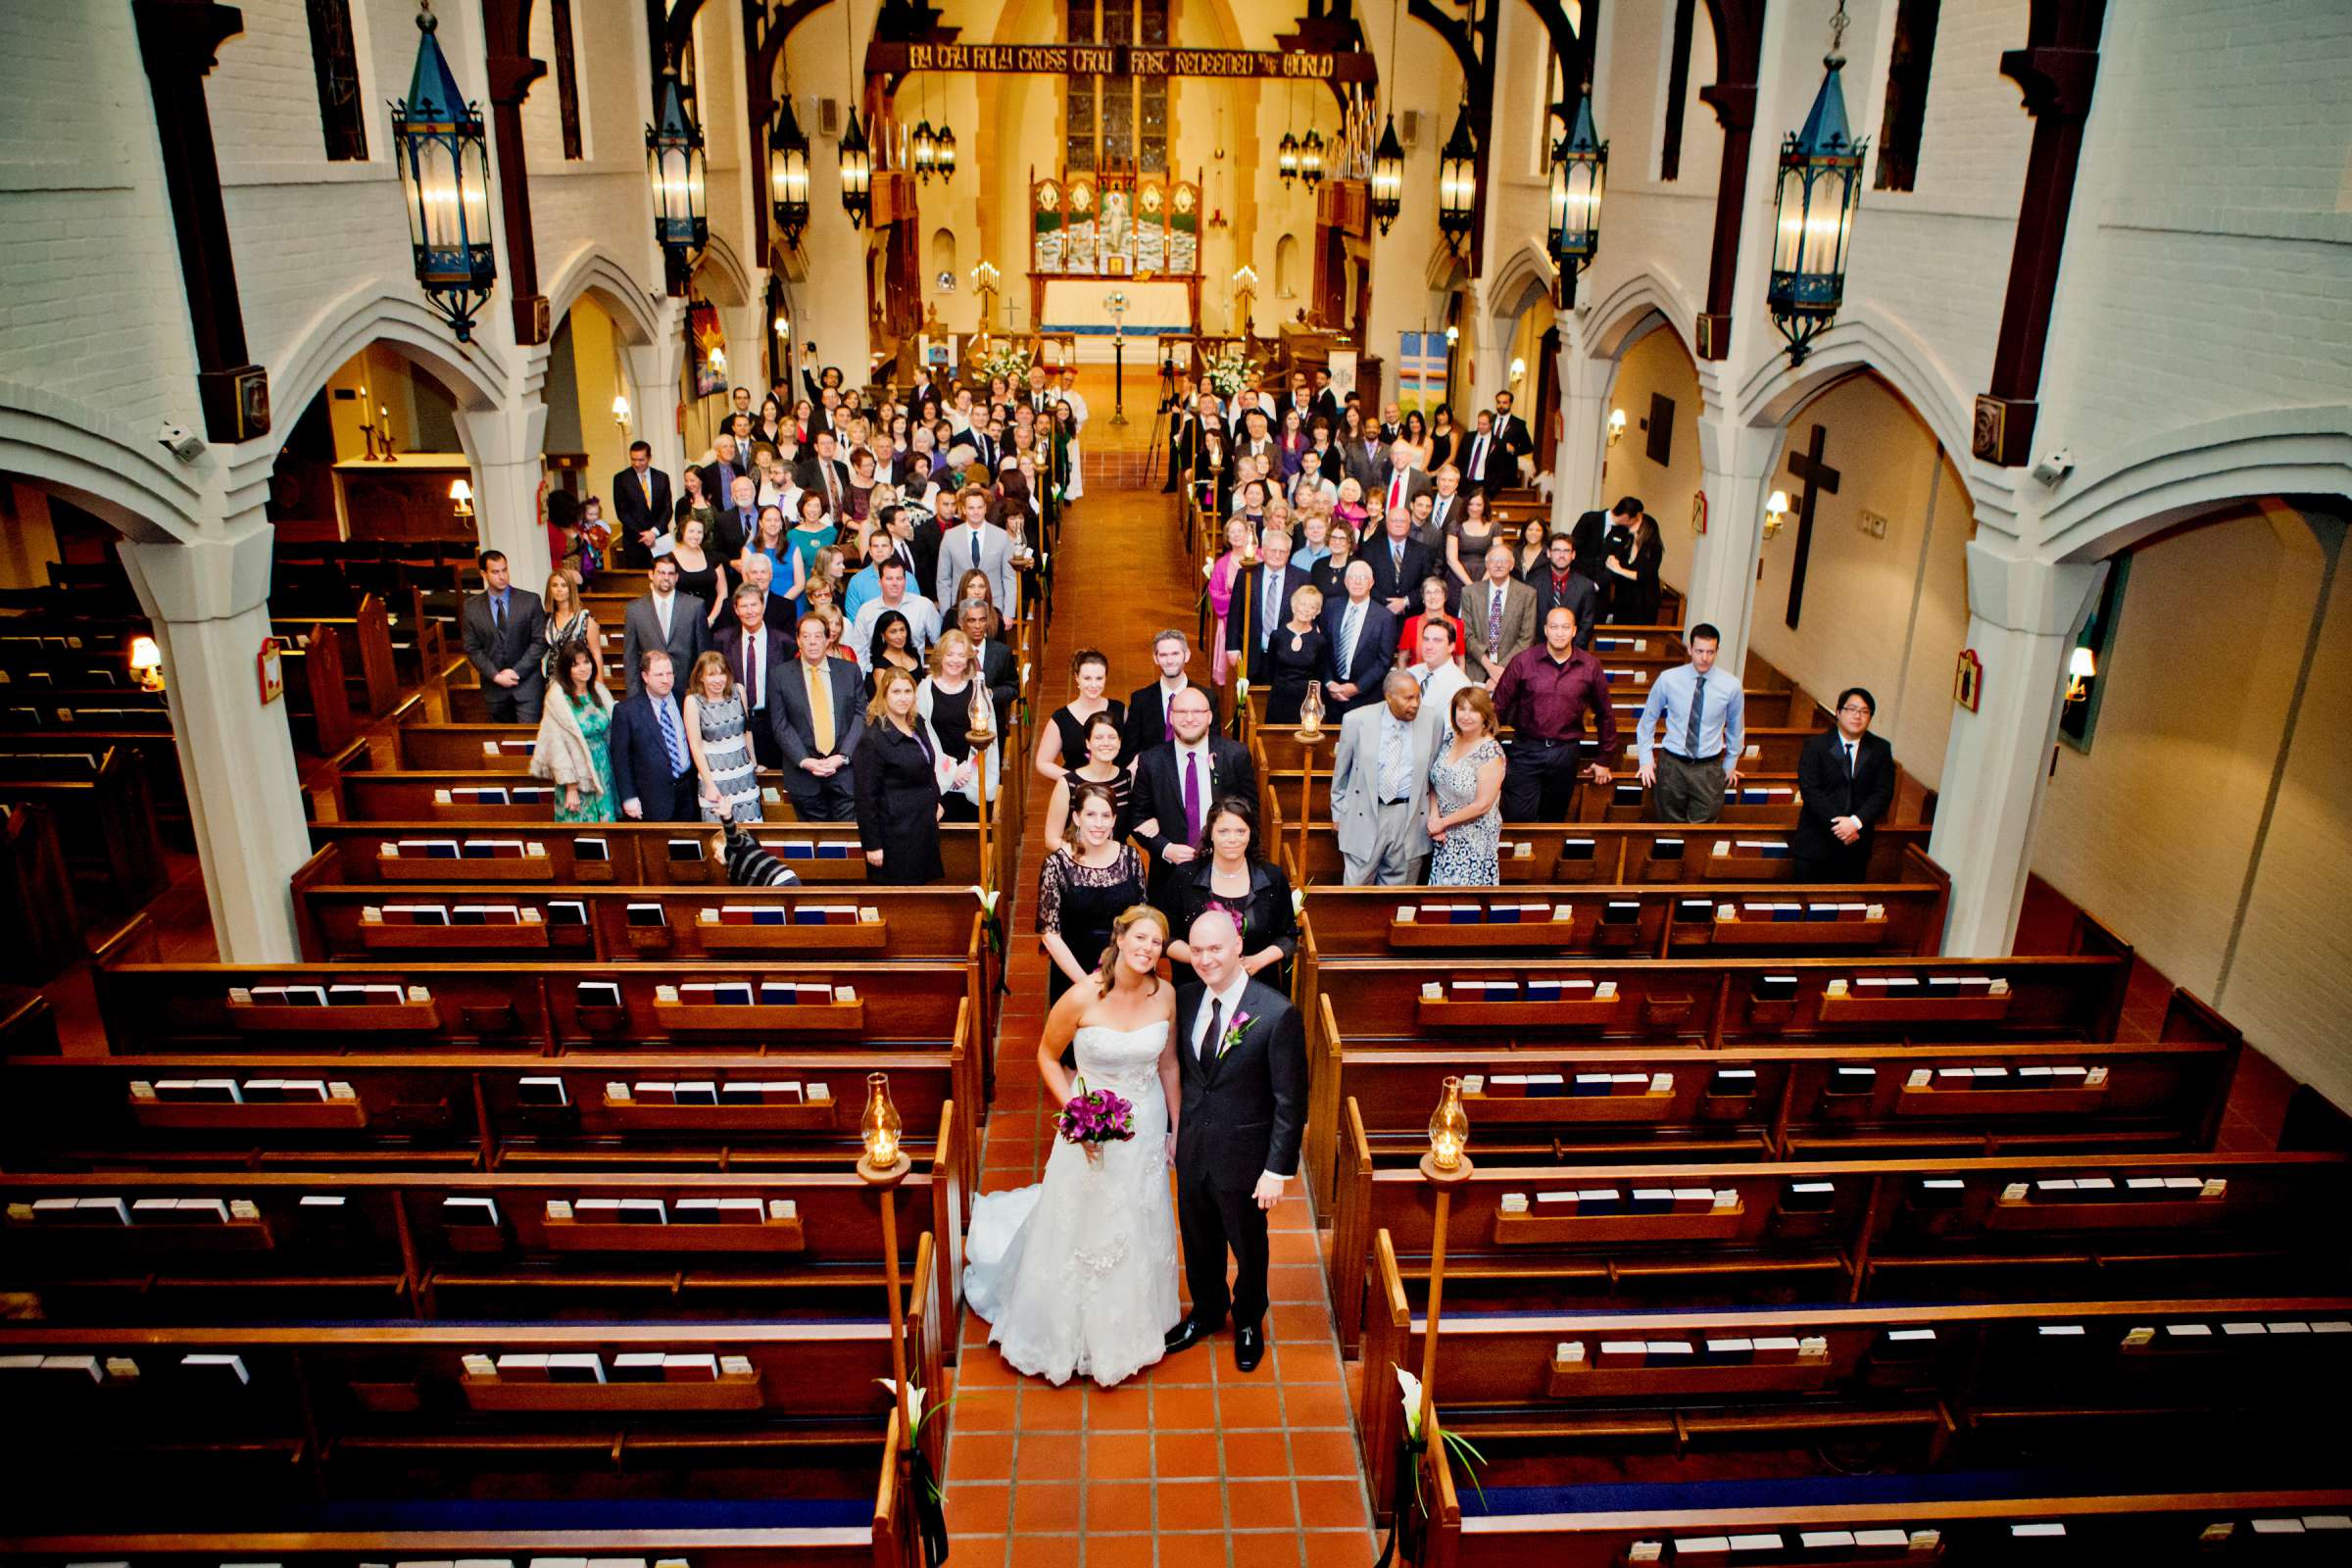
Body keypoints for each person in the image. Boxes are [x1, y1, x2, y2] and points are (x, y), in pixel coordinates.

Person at [962, 905, 1181, 1387]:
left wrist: (1175, 1126)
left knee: (1136, 1216)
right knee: (1085, 1217)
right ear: (1119, 938)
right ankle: (1065, 1328)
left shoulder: (1164, 994)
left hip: (1143, 1126)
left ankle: (1135, 1318)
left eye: (1157, 944)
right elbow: (1045, 1053)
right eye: (1140, 938)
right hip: (1089, 1124)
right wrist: (1077, 1111)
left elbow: (1167, 1064)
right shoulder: (1082, 995)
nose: (1147, 949)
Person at [1161, 908, 1307, 1374]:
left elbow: (1290, 1100)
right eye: (1197, 950)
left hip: (1246, 1155)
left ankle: (1247, 1318)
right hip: (1193, 1146)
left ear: (1238, 946)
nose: (1205, 959)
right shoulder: (1185, 1000)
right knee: (1198, 1238)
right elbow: (1180, 1075)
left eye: (1215, 949)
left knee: (1248, 1243)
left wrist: (1276, 1170)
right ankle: (1206, 1310)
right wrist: (1173, 1131)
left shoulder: (1276, 1013)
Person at [1130, 686, 1254, 906]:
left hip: (1227, 873)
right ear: (1171, 716)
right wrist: (1166, 849)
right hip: (1169, 877)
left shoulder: (1236, 755)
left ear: (1209, 716)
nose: (1189, 718)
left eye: (1197, 712)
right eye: (1181, 712)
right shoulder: (1151, 762)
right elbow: (1138, 818)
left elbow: (1251, 814)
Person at [1493, 606, 1618, 820]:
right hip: (1526, 750)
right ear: (1545, 630)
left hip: (1565, 753)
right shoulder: (1523, 661)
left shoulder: (1590, 666)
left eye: (1565, 627)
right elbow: (1497, 707)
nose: (1559, 632)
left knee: (1554, 820)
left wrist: (1605, 759)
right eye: (1554, 627)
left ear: (1574, 630)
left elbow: (1605, 714)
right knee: (1518, 818)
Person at [1162, 798, 1298, 992]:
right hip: (1196, 986)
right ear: (1210, 834)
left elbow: (1288, 936)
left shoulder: (1272, 877)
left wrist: (1257, 961)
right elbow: (1165, 936)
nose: (1232, 839)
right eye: (1223, 831)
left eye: (1240, 831)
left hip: (1257, 986)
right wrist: (1202, 959)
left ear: (1251, 833)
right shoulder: (1185, 876)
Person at [1038, 783, 1149, 1006]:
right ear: (1077, 818)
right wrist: (1088, 985)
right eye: (1090, 814)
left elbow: (1143, 920)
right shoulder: (1056, 865)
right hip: (1074, 973)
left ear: (1114, 820)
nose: (1099, 824)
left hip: (1125, 969)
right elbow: (1050, 935)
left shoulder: (1131, 858)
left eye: (1106, 815)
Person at [1332, 670, 1435, 886]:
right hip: (1365, 812)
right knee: (1356, 891)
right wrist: (1339, 813)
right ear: (1389, 696)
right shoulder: (1356, 720)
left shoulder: (1433, 721)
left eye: (1418, 696)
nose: (1415, 703)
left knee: (1398, 899)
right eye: (1408, 698)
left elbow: (1433, 775)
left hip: (1408, 816)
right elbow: (1341, 774)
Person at [1636, 622, 1744, 824]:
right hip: (1673, 764)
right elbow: (1647, 720)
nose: (1704, 658)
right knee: (1668, 831)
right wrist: (1646, 759)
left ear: (1717, 651)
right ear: (1690, 649)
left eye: (1710, 652)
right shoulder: (1668, 679)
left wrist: (1730, 763)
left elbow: (1735, 728)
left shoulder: (1731, 686)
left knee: (1701, 834)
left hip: (1708, 767)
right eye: (1699, 651)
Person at [854, 665, 946, 885]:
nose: (903, 698)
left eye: (908, 691)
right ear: (883, 695)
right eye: (896, 692)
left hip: (922, 824)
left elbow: (927, 766)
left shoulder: (917, 722)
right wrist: (872, 845)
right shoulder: (873, 738)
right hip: (895, 832)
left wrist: (937, 800)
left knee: (924, 892)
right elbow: (865, 798)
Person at [1792, 687, 1894, 883]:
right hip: (1815, 842)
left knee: (1846, 907)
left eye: (1864, 712)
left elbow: (1883, 792)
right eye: (1852, 709)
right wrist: (1841, 826)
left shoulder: (1880, 749)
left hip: (1856, 844)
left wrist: (1855, 823)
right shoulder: (1815, 746)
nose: (1858, 716)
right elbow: (1811, 791)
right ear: (1838, 712)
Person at [771, 612, 865, 820]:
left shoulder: (850, 671)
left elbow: (861, 715)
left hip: (844, 773)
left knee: (848, 843)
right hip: (804, 775)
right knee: (816, 844)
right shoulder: (780, 675)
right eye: (806, 636)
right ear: (798, 640)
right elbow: (780, 724)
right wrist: (805, 760)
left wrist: (842, 757)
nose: (812, 642)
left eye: (817, 636)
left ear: (827, 639)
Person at [1427, 686, 1507, 885]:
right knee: (1439, 902)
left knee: (1463, 903)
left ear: (1485, 716)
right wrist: (1434, 817)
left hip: (1473, 836)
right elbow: (1435, 781)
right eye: (1461, 709)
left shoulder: (1491, 753)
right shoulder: (1449, 739)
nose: (1466, 716)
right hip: (1442, 833)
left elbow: (1482, 805)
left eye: (1474, 710)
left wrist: (1443, 823)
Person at [915, 629, 999, 823]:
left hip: (973, 773)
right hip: (937, 775)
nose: (955, 660)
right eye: (950, 654)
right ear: (940, 656)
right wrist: (951, 772)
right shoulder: (925, 689)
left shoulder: (977, 690)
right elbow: (922, 736)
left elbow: (988, 734)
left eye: (961, 655)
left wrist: (966, 770)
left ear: (968, 658)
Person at [609, 649, 700, 822]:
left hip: (688, 793)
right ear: (645, 676)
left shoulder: (686, 701)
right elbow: (621, 759)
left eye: (669, 673)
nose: (666, 680)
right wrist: (629, 797)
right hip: (653, 799)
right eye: (659, 675)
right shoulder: (626, 711)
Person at [530, 642, 614, 823]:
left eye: (586, 662)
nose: (583, 668)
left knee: (609, 830)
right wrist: (571, 787)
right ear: (565, 669)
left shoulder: (599, 691)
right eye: (575, 665)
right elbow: (556, 746)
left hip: (603, 766)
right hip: (577, 773)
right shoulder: (558, 698)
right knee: (585, 831)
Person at [463, 550, 548, 722]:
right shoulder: (471, 608)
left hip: (527, 685)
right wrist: (495, 675)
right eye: (495, 572)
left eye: (504, 570)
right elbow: (472, 648)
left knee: (528, 740)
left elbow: (539, 641)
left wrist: (516, 672)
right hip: (494, 689)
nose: (502, 576)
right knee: (505, 742)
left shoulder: (529, 601)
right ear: (483, 574)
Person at [711, 581, 789, 769]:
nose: (750, 611)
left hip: (773, 724)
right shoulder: (721, 640)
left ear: (763, 606)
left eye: (754, 604)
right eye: (743, 606)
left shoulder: (784, 641)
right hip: (735, 726)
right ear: (736, 610)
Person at [1225, 526, 1311, 690]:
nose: (1277, 555)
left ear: (1289, 553)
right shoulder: (1247, 574)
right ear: (1263, 550)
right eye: (1273, 550)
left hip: (1286, 656)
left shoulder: (1302, 578)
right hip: (1251, 651)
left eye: (1282, 551)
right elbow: (1235, 613)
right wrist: (1232, 646)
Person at [621, 555, 710, 702]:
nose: (666, 577)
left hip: (688, 692)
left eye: (670, 573)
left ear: (677, 577)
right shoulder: (635, 610)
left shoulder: (694, 607)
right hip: (650, 692)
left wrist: (702, 693)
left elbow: (704, 654)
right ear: (651, 575)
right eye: (661, 573)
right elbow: (630, 657)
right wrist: (634, 698)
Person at [1318, 559, 1398, 720]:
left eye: (1363, 578)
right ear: (1346, 582)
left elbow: (1384, 661)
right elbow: (1322, 649)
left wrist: (1357, 688)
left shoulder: (1385, 617)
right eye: (1353, 577)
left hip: (1365, 698)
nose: (1357, 582)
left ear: (1371, 583)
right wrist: (1328, 683)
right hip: (1331, 695)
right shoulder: (1331, 607)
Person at [1036, 648, 1126, 782]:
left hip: (1114, 786)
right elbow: (1043, 763)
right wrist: (1077, 780)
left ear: (1106, 677)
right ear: (1077, 678)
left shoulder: (1119, 710)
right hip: (1077, 790)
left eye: (1099, 678)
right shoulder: (1061, 718)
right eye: (1087, 678)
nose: (1094, 684)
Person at [1461, 539, 1540, 685]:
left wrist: (1501, 669)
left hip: (1513, 668)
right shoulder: (1469, 592)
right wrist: (1490, 667)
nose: (1498, 564)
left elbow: (1526, 639)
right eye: (1494, 560)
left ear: (1511, 565)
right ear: (1487, 565)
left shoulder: (1527, 594)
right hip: (1477, 668)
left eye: (1504, 560)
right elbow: (1467, 635)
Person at [847, 559, 942, 670]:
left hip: (913, 677)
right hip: (875, 678)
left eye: (899, 578)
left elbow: (941, 643)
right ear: (879, 582)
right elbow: (859, 651)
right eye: (889, 579)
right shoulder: (866, 610)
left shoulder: (924, 606)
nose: (894, 583)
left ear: (905, 581)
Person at [1125, 628, 1198, 758]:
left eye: (1175, 654)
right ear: (1155, 658)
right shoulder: (1140, 700)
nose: (1169, 661)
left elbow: (1212, 746)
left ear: (1187, 655)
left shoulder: (1205, 697)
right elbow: (1129, 750)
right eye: (1163, 655)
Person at [1263, 583, 1329, 726]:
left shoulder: (1320, 641)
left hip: (1306, 703)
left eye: (1312, 607)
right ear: (1294, 606)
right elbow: (1269, 670)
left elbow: (1320, 675)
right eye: (1303, 604)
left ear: (1317, 612)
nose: (1306, 610)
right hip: (1279, 698)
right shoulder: (1277, 636)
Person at [1571, 495, 1642, 618]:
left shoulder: (1623, 532)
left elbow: (1616, 562)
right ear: (1626, 516)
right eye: (1635, 519)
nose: (1635, 523)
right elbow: (1573, 550)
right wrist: (1583, 582)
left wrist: (1598, 583)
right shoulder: (1589, 519)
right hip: (1579, 582)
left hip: (1601, 588)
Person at [1404, 619, 1472, 745]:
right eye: (1426, 639)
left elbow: (1450, 735)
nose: (1429, 646)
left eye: (1437, 640)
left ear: (1451, 646)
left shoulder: (1461, 685)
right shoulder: (1411, 673)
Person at [1529, 530, 1600, 648]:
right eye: (1557, 550)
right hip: (1538, 653)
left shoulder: (1586, 586)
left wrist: (1568, 652)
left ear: (1573, 555)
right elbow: (1529, 625)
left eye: (1566, 551)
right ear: (1548, 553)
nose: (1561, 555)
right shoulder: (1533, 584)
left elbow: (1587, 626)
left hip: (1573, 654)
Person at [1364, 502, 1434, 618]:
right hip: (1378, 613)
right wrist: (1389, 604)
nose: (1398, 524)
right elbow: (1366, 581)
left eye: (1402, 521)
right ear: (1386, 523)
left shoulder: (1422, 551)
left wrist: (1405, 602)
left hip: (1411, 615)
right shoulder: (1370, 548)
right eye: (1394, 521)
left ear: (1409, 524)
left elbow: (1427, 583)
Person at [957, 597, 1018, 729]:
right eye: (972, 620)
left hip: (994, 724)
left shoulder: (1002, 652)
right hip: (959, 724)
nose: (978, 626)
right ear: (961, 623)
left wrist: (990, 694)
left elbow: (1013, 688)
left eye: (982, 620)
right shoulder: (953, 654)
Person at [539, 568, 604, 687]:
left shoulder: (585, 619)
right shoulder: (546, 619)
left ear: (571, 588)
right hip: (554, 680)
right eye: (555, 585)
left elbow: (596, 653)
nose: (559, 589)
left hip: (580, 678)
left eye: (564, 585)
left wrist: (599, 685)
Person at [612, 441, 671, 568]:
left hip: (660, 538)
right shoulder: (621, 479)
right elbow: (622, 512)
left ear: (649, 458)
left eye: (641, 460)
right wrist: (644, 534)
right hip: (635, 541)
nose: (637, 464)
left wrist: (654, 532)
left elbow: (667, 509)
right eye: (633, 460)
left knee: (665, 576)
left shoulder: (662, 477)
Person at [667, 511, 729, 629]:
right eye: (691, 531)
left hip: (713, 619)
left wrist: (711, 619)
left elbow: (723, 593)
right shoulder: (670, 559)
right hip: (681, 621)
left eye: (699, 532)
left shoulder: (713, 557)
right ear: (682, 532)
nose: (696, 536)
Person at [1605, 509, 1666, 624]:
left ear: (1645, 526)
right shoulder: (1627, 542)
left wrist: (1618, 569)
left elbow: (1644, 576)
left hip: (1643, 602)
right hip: (1623, 599)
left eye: (1636, 521)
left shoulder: (1653, 548)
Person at [1397, 574, 1466, 660]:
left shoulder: (1457, 625)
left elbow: (1460, 662)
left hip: (1447, 673)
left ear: (1445, 597)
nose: (1432, 597)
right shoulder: (1411, 623)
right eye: (1428, 592)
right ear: (1423, 598)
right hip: (1417, 672)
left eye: (1437, 592)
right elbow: (1402, 659)